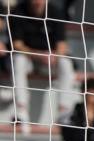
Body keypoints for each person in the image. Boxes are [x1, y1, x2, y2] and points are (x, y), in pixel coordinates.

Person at [8, 0, 75, 129]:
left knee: (66, 64)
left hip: (49, 61)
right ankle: (21, 110)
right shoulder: (18, 12)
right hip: (28, 59)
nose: (37, 2)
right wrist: (39, 55)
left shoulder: (55, 13)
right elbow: (17, 45)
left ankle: (63, 112)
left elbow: (62, 45)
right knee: (17, 61)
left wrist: (54, 56)